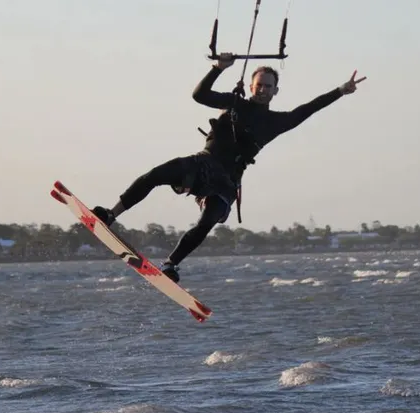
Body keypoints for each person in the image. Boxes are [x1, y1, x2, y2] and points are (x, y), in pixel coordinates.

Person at [92, 53, 366, 283]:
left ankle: (171, 264)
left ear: (275, 91)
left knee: (208, 220)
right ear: (251, 86)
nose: (263, 90)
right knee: (154, 175)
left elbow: (309, 109)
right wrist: (218, 68)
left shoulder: (277, 122)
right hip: (202, 164)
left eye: (268, 86)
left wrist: (341, 91)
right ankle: (111, 214)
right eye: (259, 85)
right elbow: (199, 95)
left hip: (227, 182)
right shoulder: (234, 103)